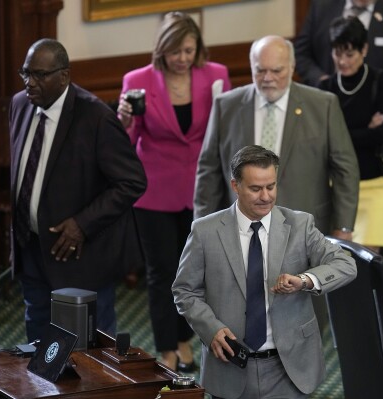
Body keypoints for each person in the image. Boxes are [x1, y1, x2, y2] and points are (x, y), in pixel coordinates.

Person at [173, 145, 357, 399]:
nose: (266, 196)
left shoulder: (300, 225)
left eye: (271, 186)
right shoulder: (205, 231)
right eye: (256, 188)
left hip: (289, 368)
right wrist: (211, 329)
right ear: (235, 186)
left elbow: (345, 264)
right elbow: (184, 291)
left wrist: (305, 280)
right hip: (230, 366)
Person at [9, 38, 147, 342]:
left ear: (64, 76)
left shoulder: (95, 117)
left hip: (79, 256)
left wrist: (82, 224)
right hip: (31, 248)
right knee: (40, 343)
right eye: (26, 73)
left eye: (40, 75)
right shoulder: (20, 105)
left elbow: (132, 181)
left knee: (90, 354)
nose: (30, 83)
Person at [116, 11, 231, 372]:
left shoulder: (216, 75)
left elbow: (224, 132)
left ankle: (186, 340)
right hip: (155, 191)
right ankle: (168, 348)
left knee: (196, 272)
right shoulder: (138, 80)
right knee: (162, 272)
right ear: (161, 50)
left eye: (188, 50)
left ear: (198, 48)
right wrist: (124, 120)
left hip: (203, 189)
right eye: (175, 52)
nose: (182, 59)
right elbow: (127, 143)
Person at [194, 35, 359, 242]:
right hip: (240, 230)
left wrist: (343, 227)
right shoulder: (226, 107)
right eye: (260, 70)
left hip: (305, 229)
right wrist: (202, 226)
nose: (268, 78)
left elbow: (346, 170)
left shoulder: (323, 106)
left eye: (276, 70)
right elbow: (208, 172)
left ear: (291, 67)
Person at [319, 16, 383, 253]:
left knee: (367, 263)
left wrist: (342, 134)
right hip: (339, 186)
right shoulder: (326, 89)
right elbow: (324, 141)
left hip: (376, 184)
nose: (343, 61)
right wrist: (366, 130)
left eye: (350, 54)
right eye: (337, 54)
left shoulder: (381, 82)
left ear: (364, 49)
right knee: (339, 262)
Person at [294, 0, 383, 91]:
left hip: (373, 114)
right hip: (323, 105)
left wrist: (377, 89)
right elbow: (300, 53)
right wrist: (321, 80)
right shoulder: (321, 6)